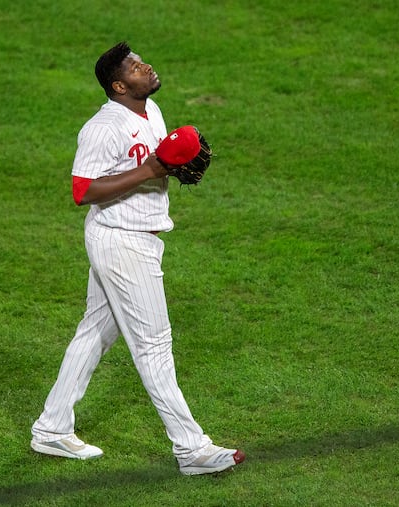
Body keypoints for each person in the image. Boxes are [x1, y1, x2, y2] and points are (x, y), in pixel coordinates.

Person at [30, 42, 245, 476]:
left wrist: (169, 166)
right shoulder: (102, 128)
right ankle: (192, 449)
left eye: (140, 61)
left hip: (139, 237)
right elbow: (82, 191)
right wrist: (151, 170)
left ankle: (52, 428)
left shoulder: (154, 111)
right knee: (153, 347)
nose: (144, 67)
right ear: (118, 85)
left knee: (94, 333)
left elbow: (160, 163)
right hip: (121, 241)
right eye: (133, 67)